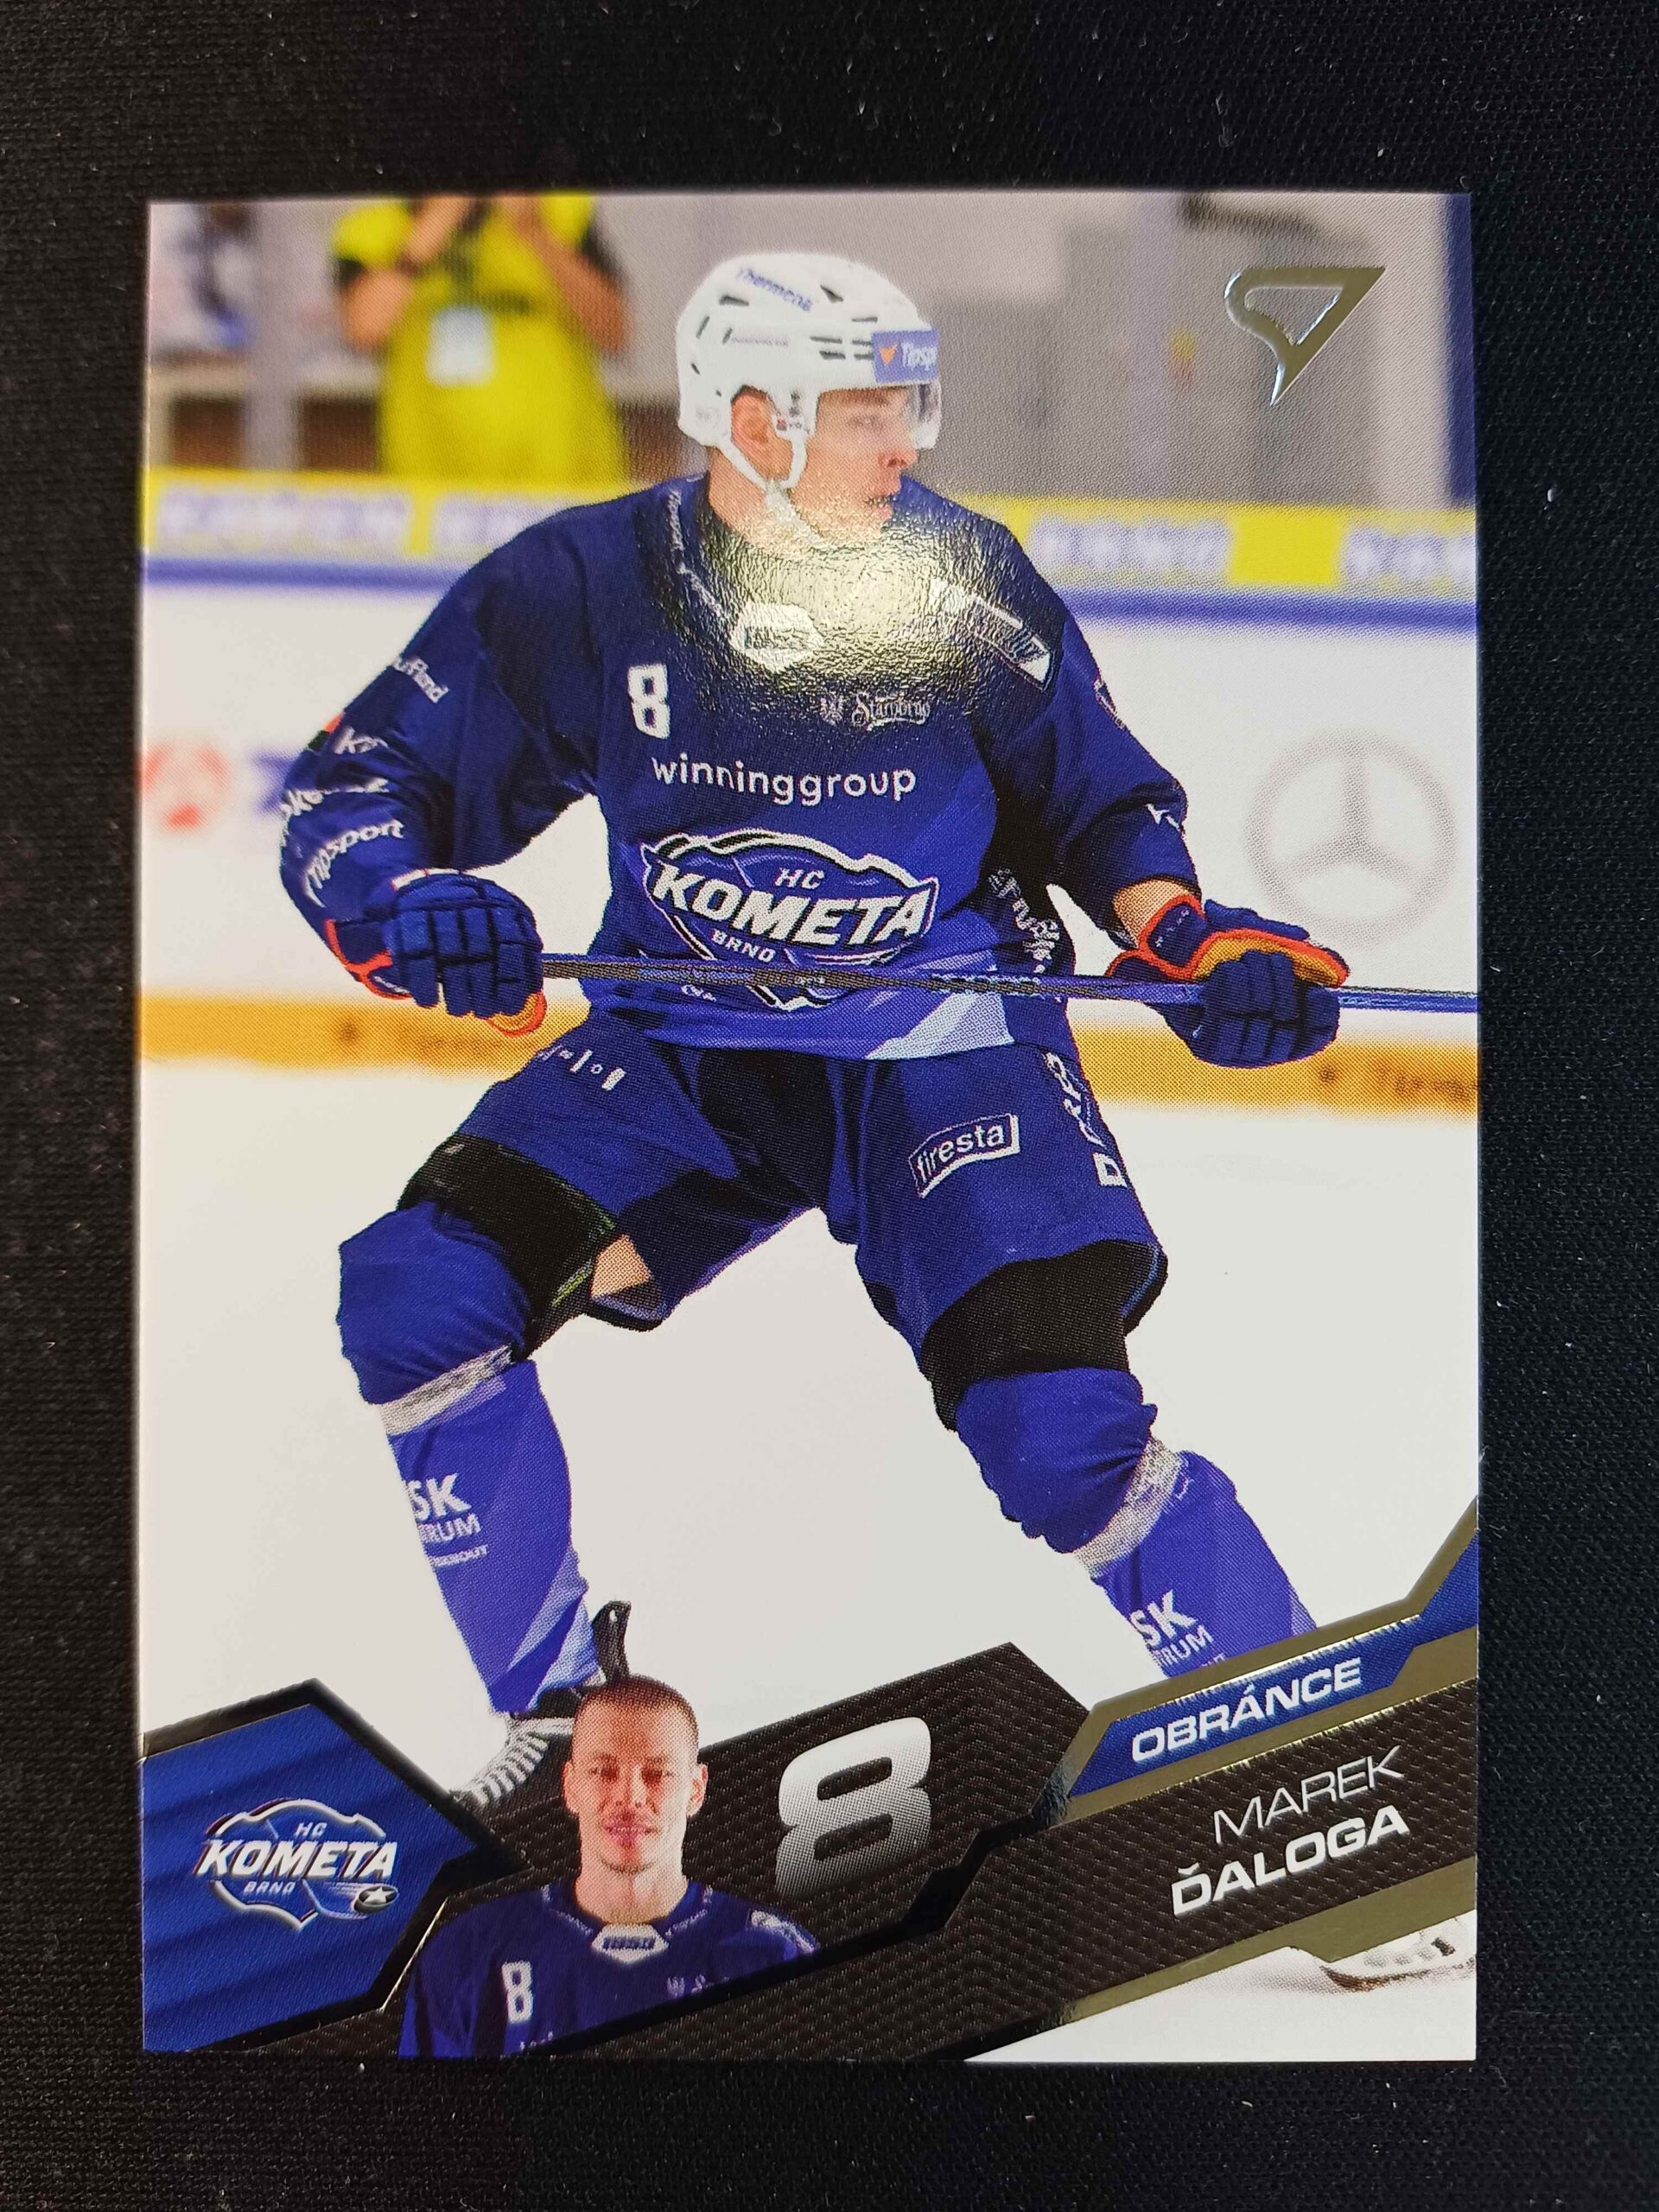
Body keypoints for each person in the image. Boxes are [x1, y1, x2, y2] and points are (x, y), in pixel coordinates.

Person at [278, 251, 1348, 1818]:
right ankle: (560, 1725)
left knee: (1057, 1434)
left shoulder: (961, 578)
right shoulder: (584, 586)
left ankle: (1315, 1772)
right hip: (688, 1048)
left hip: (942, 1046)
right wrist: (410, 901)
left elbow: (1101, 799)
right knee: (421, 1294)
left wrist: (1190, 936)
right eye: (865, 411)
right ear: (751, 419)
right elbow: (352, 790)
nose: (905, 443)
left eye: (911, 404)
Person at [398, 1674, 816, 2056]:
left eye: (657, 1774)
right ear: (569, 1786)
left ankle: (567, 1670)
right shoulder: (470, 1953)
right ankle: (560, 1681)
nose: (630, 1798)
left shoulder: (773, 1953)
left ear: (695, 1789)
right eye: (603, 1771)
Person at [332, 193, 629, 483]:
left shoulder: (563, 212)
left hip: (562, 477)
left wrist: (534, 231)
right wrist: (432, 227)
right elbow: (365, 328)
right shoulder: (374, 225)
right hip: (432, 484)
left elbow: (613, 330)